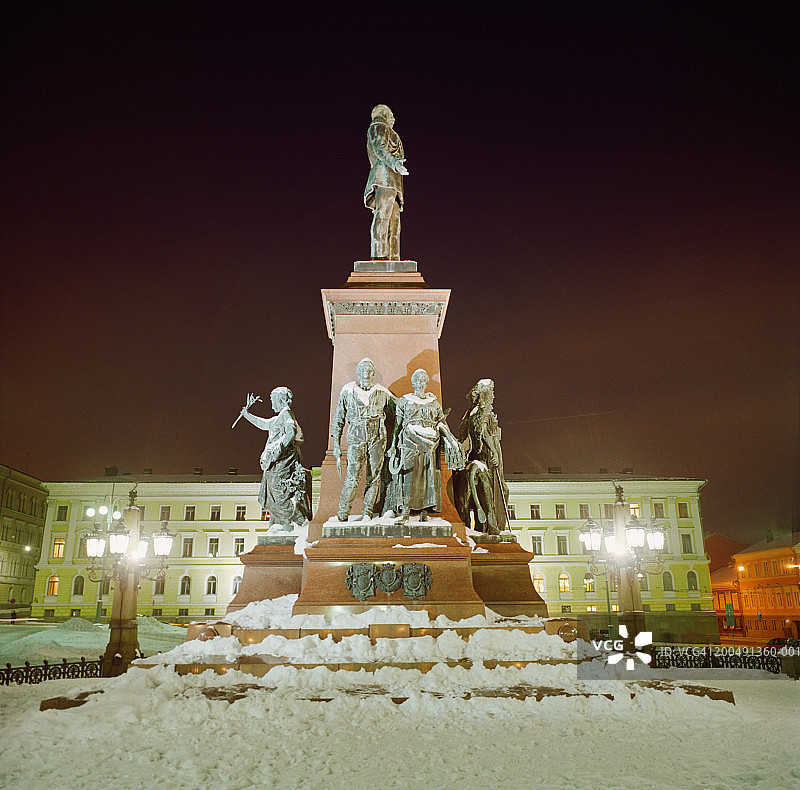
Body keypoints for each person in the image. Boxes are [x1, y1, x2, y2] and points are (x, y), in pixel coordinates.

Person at [390, 369, 465, 522]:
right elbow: (397, 425)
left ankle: (424, 510)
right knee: (409, 475)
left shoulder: (434, 403)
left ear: (426, 383)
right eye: (417, 380)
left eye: (423, 380)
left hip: (431, 442)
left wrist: (450, 439)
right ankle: (406, 508)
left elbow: (441, 423)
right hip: (409, 440)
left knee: (426, 475)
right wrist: (392, 445)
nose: (420, 383)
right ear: (413, 382)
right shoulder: (405, 401)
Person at [238, 387, 311, 530]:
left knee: (279, 494)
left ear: (281, 400)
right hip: (275, 464)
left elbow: (291, 431)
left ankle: (299, 521)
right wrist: (247, 415)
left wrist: (277, 450)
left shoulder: (287, 414)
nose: (271, 404)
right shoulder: (280, 417)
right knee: (272, 495)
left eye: (273, 400)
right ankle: (283, 522)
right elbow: (265, 424)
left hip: (282, 462)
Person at [332, 358, 396, 521]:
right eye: (362, 370)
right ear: (358, 373)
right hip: (356, 434)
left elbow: (401, 411)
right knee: (352, 476)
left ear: (373, 373)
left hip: (378, 435)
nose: (366, 373)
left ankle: (367, 512)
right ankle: (342, 513)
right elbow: (339, 417)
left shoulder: (383, 392)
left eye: (369, 371)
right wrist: (336, 444)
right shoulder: (348, 390)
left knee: (374, 476)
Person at [453, 379, 510, 534]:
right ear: (484, 395)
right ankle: (492, 523)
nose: (493, 396)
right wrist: (494, 452)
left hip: (475, 457)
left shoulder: (468, 414)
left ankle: (484, 523)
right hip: (487, 456)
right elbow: (484, 433)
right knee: (501, 489)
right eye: (491, 392)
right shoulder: (482, 412)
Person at [364, 104, 408, 260]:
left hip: (393, 181)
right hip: (384, 178)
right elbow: (380, 148)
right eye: (391, 115)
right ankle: (380, 256)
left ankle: (393, 257)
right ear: (384, 114)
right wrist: (395, 163)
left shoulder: (387, 130)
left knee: (394, 222)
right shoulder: (379, 126)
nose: (393, 119)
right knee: (383, 215)